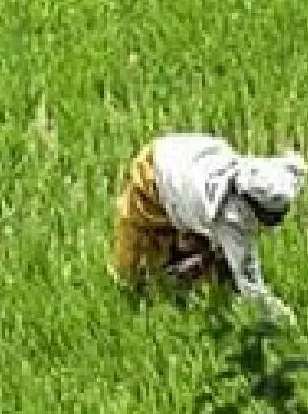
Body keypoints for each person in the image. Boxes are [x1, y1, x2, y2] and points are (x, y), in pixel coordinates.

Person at [110, 133, 305, 321]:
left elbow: (298, 166)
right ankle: (133, 296)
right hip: (156, 173)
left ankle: (194, 282)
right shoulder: (229, 219)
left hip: (189, 158)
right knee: (136, 261)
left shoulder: (278, 174)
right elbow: (251, 285)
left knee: (215, 263)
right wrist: (286, 319)